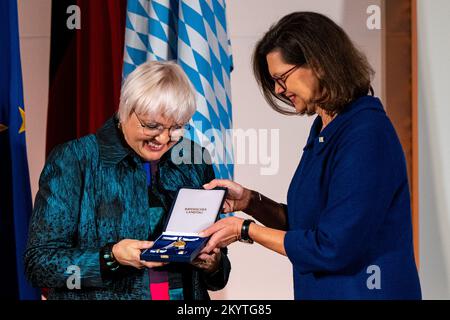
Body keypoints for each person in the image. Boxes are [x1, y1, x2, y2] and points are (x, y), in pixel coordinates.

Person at [200, 12, 421, 300]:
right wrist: (250, 202)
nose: (279, 90)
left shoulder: (366, 133)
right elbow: (309, 225)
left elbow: (332, 247)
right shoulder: (324, 126)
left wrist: (245, 230)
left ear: (318, 63)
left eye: (282, 78)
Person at [24, 61, 231, 300]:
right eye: (152, 126)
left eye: (176, 128)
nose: (163, 138)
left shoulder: (194, 160)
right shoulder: (75, 159)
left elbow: (219, 275)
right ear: (125, 110)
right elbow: (39, 264)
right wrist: (111, 258)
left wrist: (213, 263)